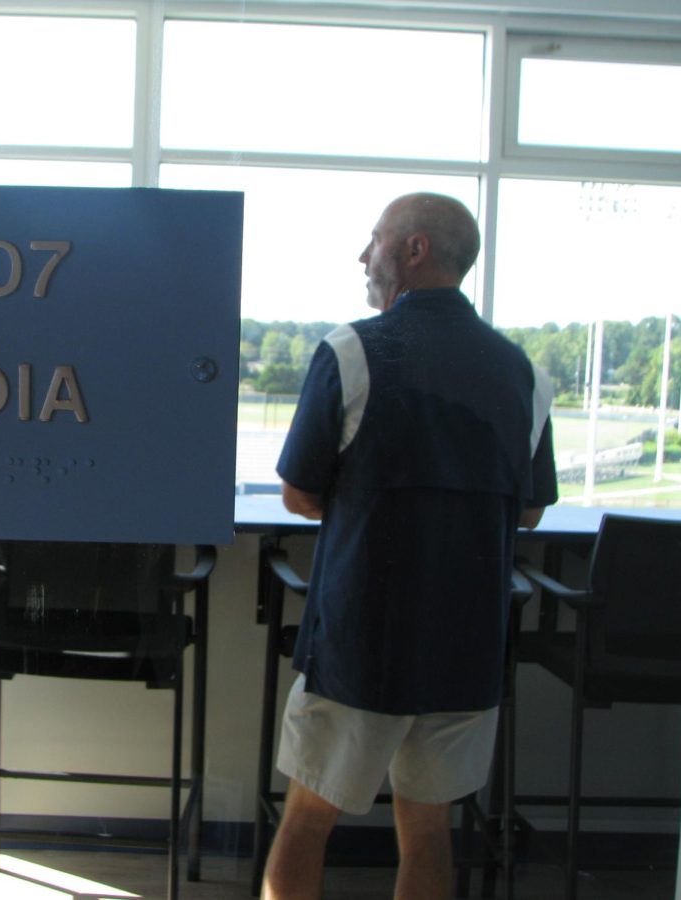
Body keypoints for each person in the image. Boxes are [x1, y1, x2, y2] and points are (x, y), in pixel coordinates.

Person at [262, 193, 558, 900]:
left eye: (375, 240)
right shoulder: (525, 374)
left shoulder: (351, 351)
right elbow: (534, 510)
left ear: (416, 250)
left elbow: (299, 494)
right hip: (466, 651)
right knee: (427, 832)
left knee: (308, 819)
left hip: (363, 647)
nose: (364, 256)